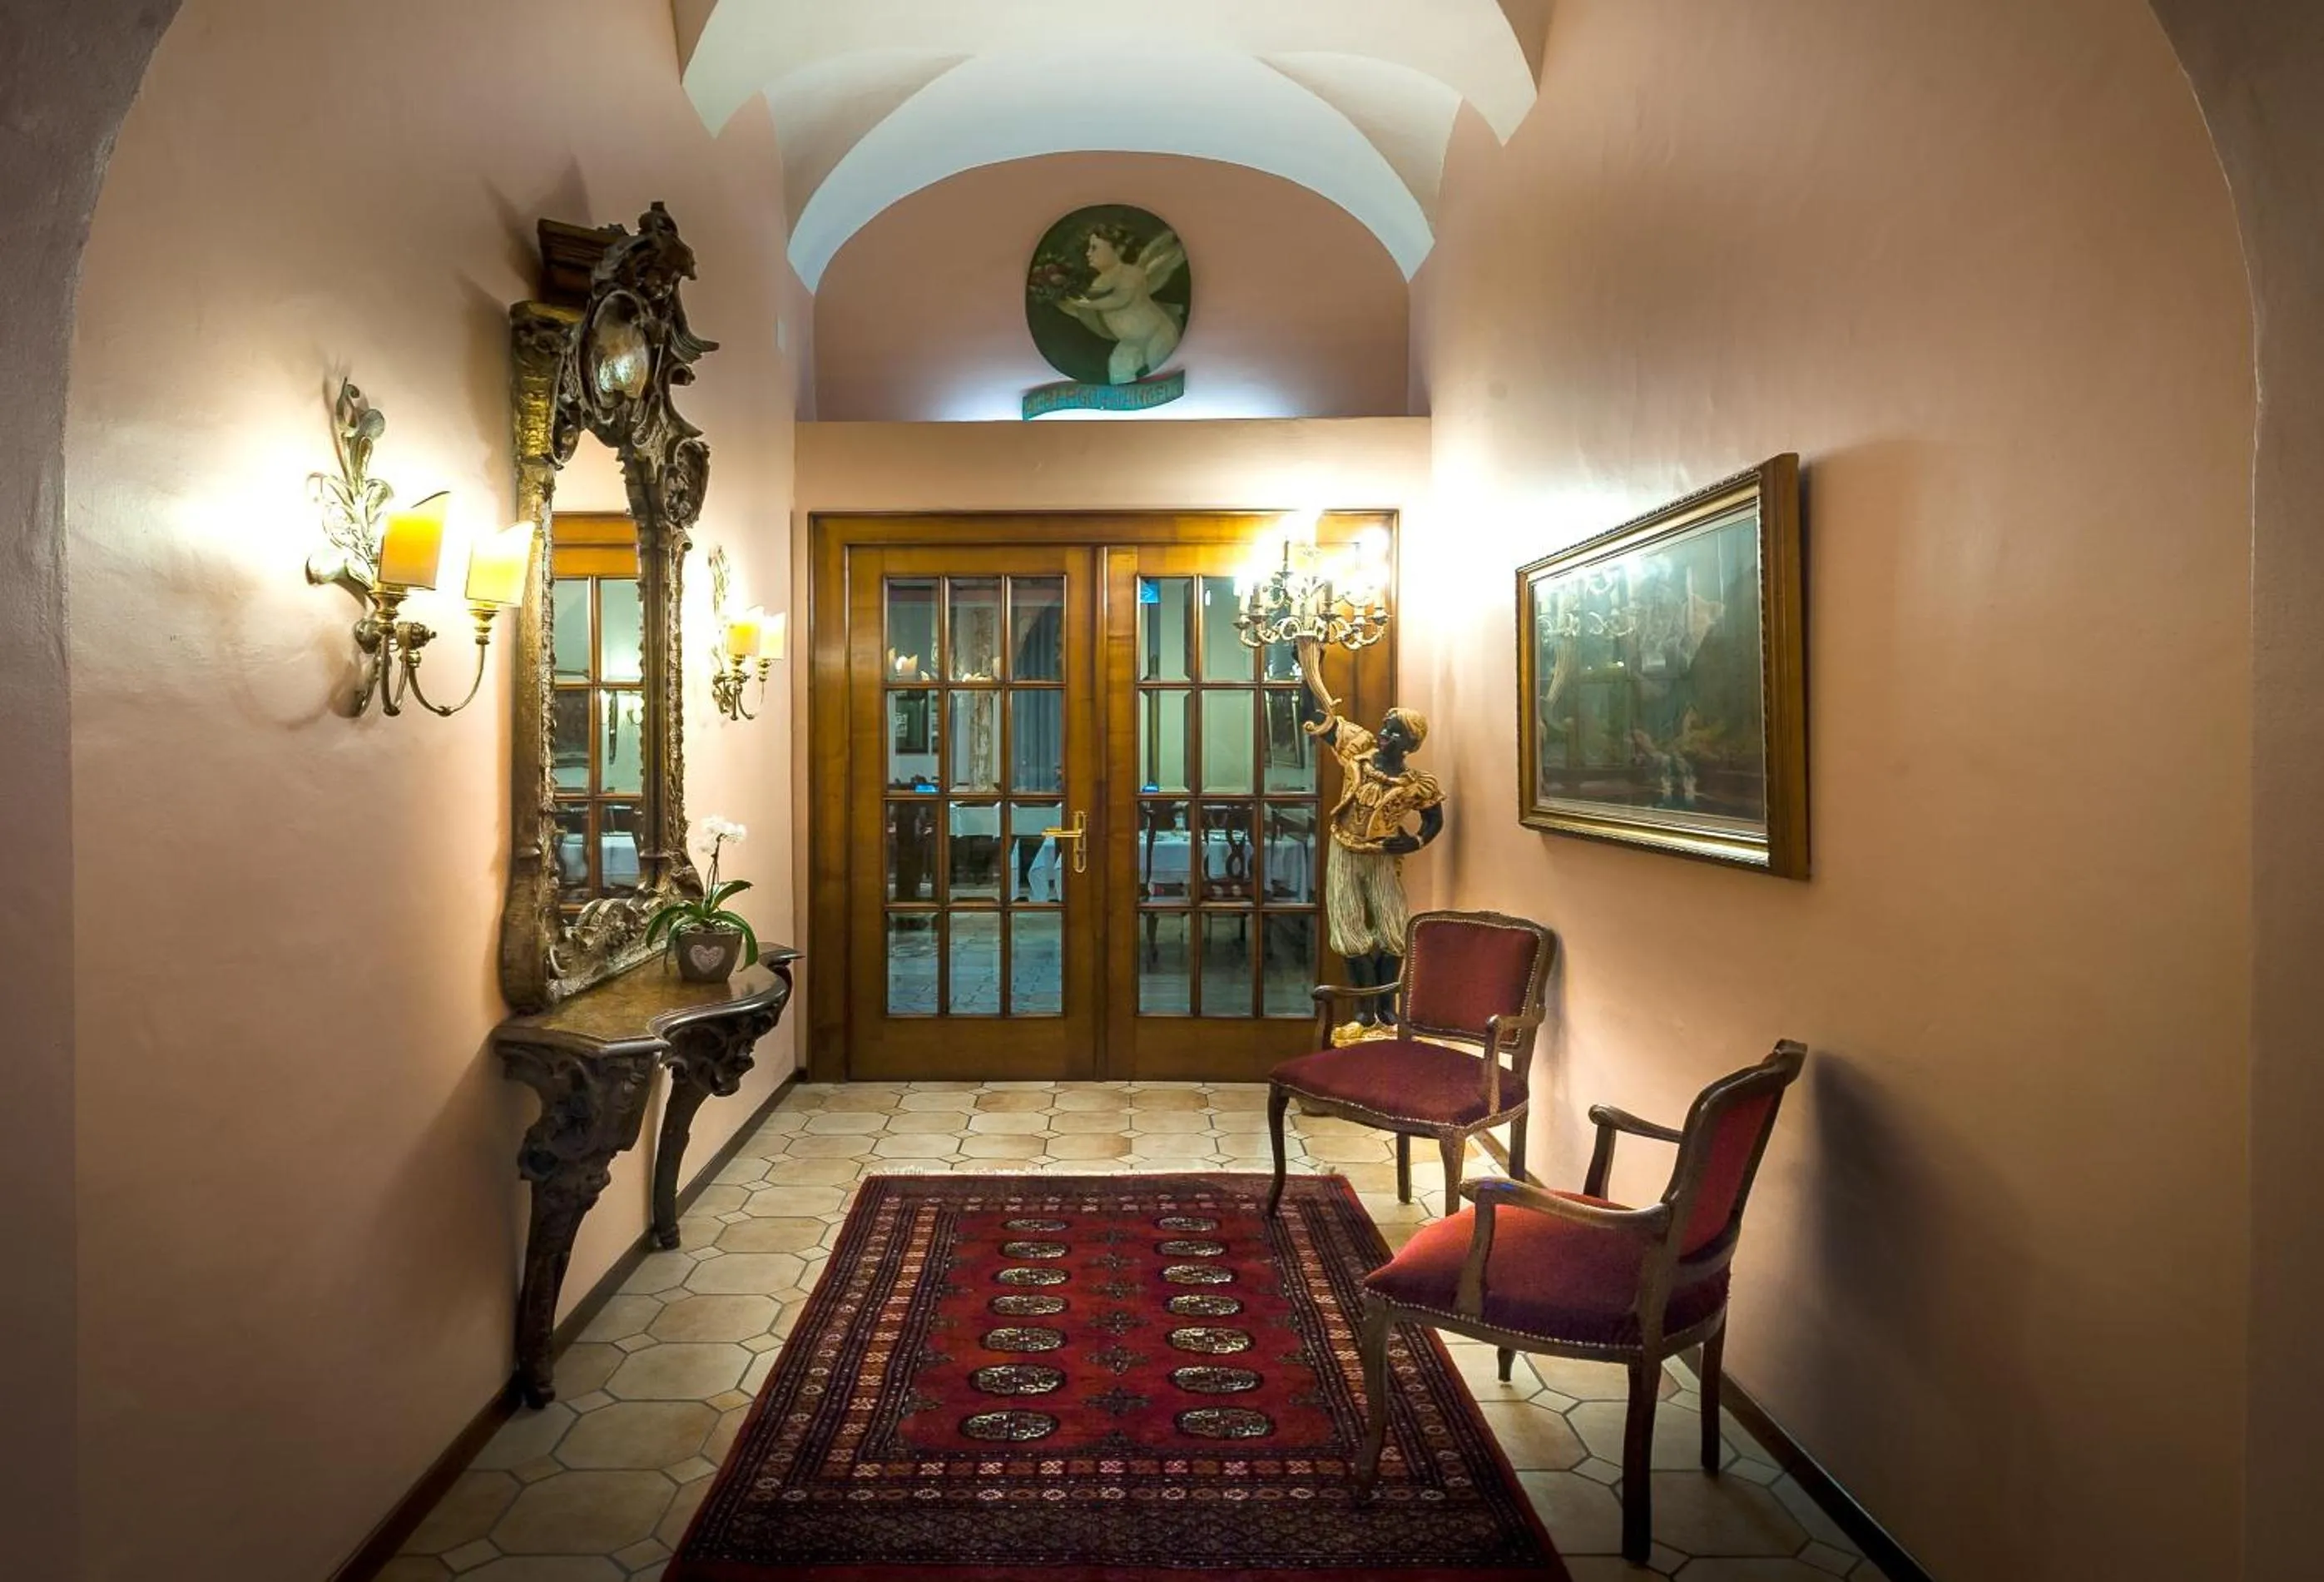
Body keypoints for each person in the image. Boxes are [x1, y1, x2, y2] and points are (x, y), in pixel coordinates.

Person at [1296, 637, 1445, 1027]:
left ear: (1410, 744)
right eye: (1386, 727)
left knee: (1394, 926)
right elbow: (1314, 714)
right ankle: (1362, 1008)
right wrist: (1309, 664)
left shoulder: (1417, 782)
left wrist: (1413, 842)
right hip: (1345, 848)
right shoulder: (1357, 751)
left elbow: (1434, 821)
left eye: (1395, 733)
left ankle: (1386, 1005)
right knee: (1347, 925)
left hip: (1382, 854)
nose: (1385, 735)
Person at [1053, 226, 1187, 384]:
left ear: (1118, 250)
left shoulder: (1130, 274)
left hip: (1156, 335)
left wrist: (1085, 303)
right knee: (1118, 367)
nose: (1088, 253)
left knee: (1159, 369)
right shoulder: (1100, 281)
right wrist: (1066, 297)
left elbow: (1119, 300)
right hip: (1131, 341)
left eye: (1095, 248)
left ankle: (1159, 395)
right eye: (1088, 248)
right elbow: (1088, 302)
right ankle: (1123, 400)